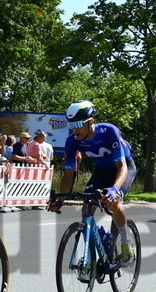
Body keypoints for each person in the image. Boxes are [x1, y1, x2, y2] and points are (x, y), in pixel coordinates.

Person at [49, 100, 137, 266]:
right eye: (71, 124)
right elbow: (69, 174)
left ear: (91, 122)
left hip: (123, 168)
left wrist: (114, 189)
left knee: (114, 202)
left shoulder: (108, 131)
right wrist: (59, 200)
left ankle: (126, 243)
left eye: (78, 124)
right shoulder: (72, 141)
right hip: (102, 171)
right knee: (88, 204)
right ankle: (91, 253)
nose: (75, 129)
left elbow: (122, 166)